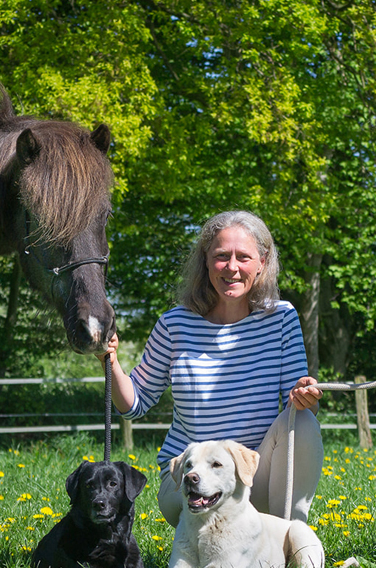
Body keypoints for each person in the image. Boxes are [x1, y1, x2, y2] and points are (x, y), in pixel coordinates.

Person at [99, 210, 323, 527]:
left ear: (262, 262)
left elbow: (296, 409)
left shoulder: (282, 318)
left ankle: (290, 533)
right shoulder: (174, 323)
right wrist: (109, 362)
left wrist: (305, 398)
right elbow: (133, 404)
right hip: (189, 484)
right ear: (206, 260)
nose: (232, 267)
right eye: (221, 256)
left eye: (243, 257)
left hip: (250, 476)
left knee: (303, 423)